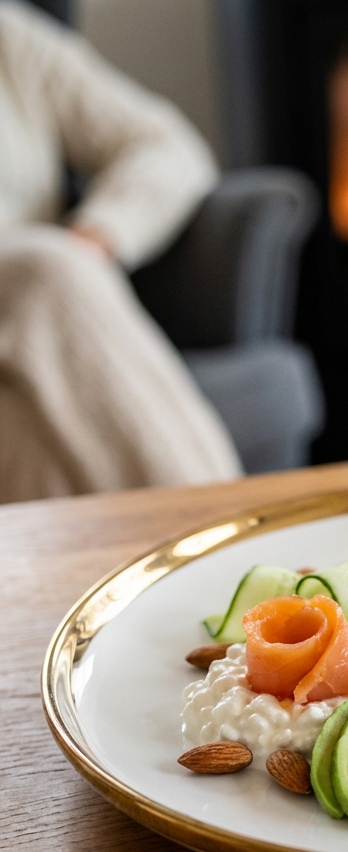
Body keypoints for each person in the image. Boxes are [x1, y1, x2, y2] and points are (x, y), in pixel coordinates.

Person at [0, 0, 241, 503]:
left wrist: (98, 235)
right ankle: (226, 524)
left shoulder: (12, 38)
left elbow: (166, 146)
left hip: (40, 336)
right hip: (39, 278)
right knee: (46, 268)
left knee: (26, 433)